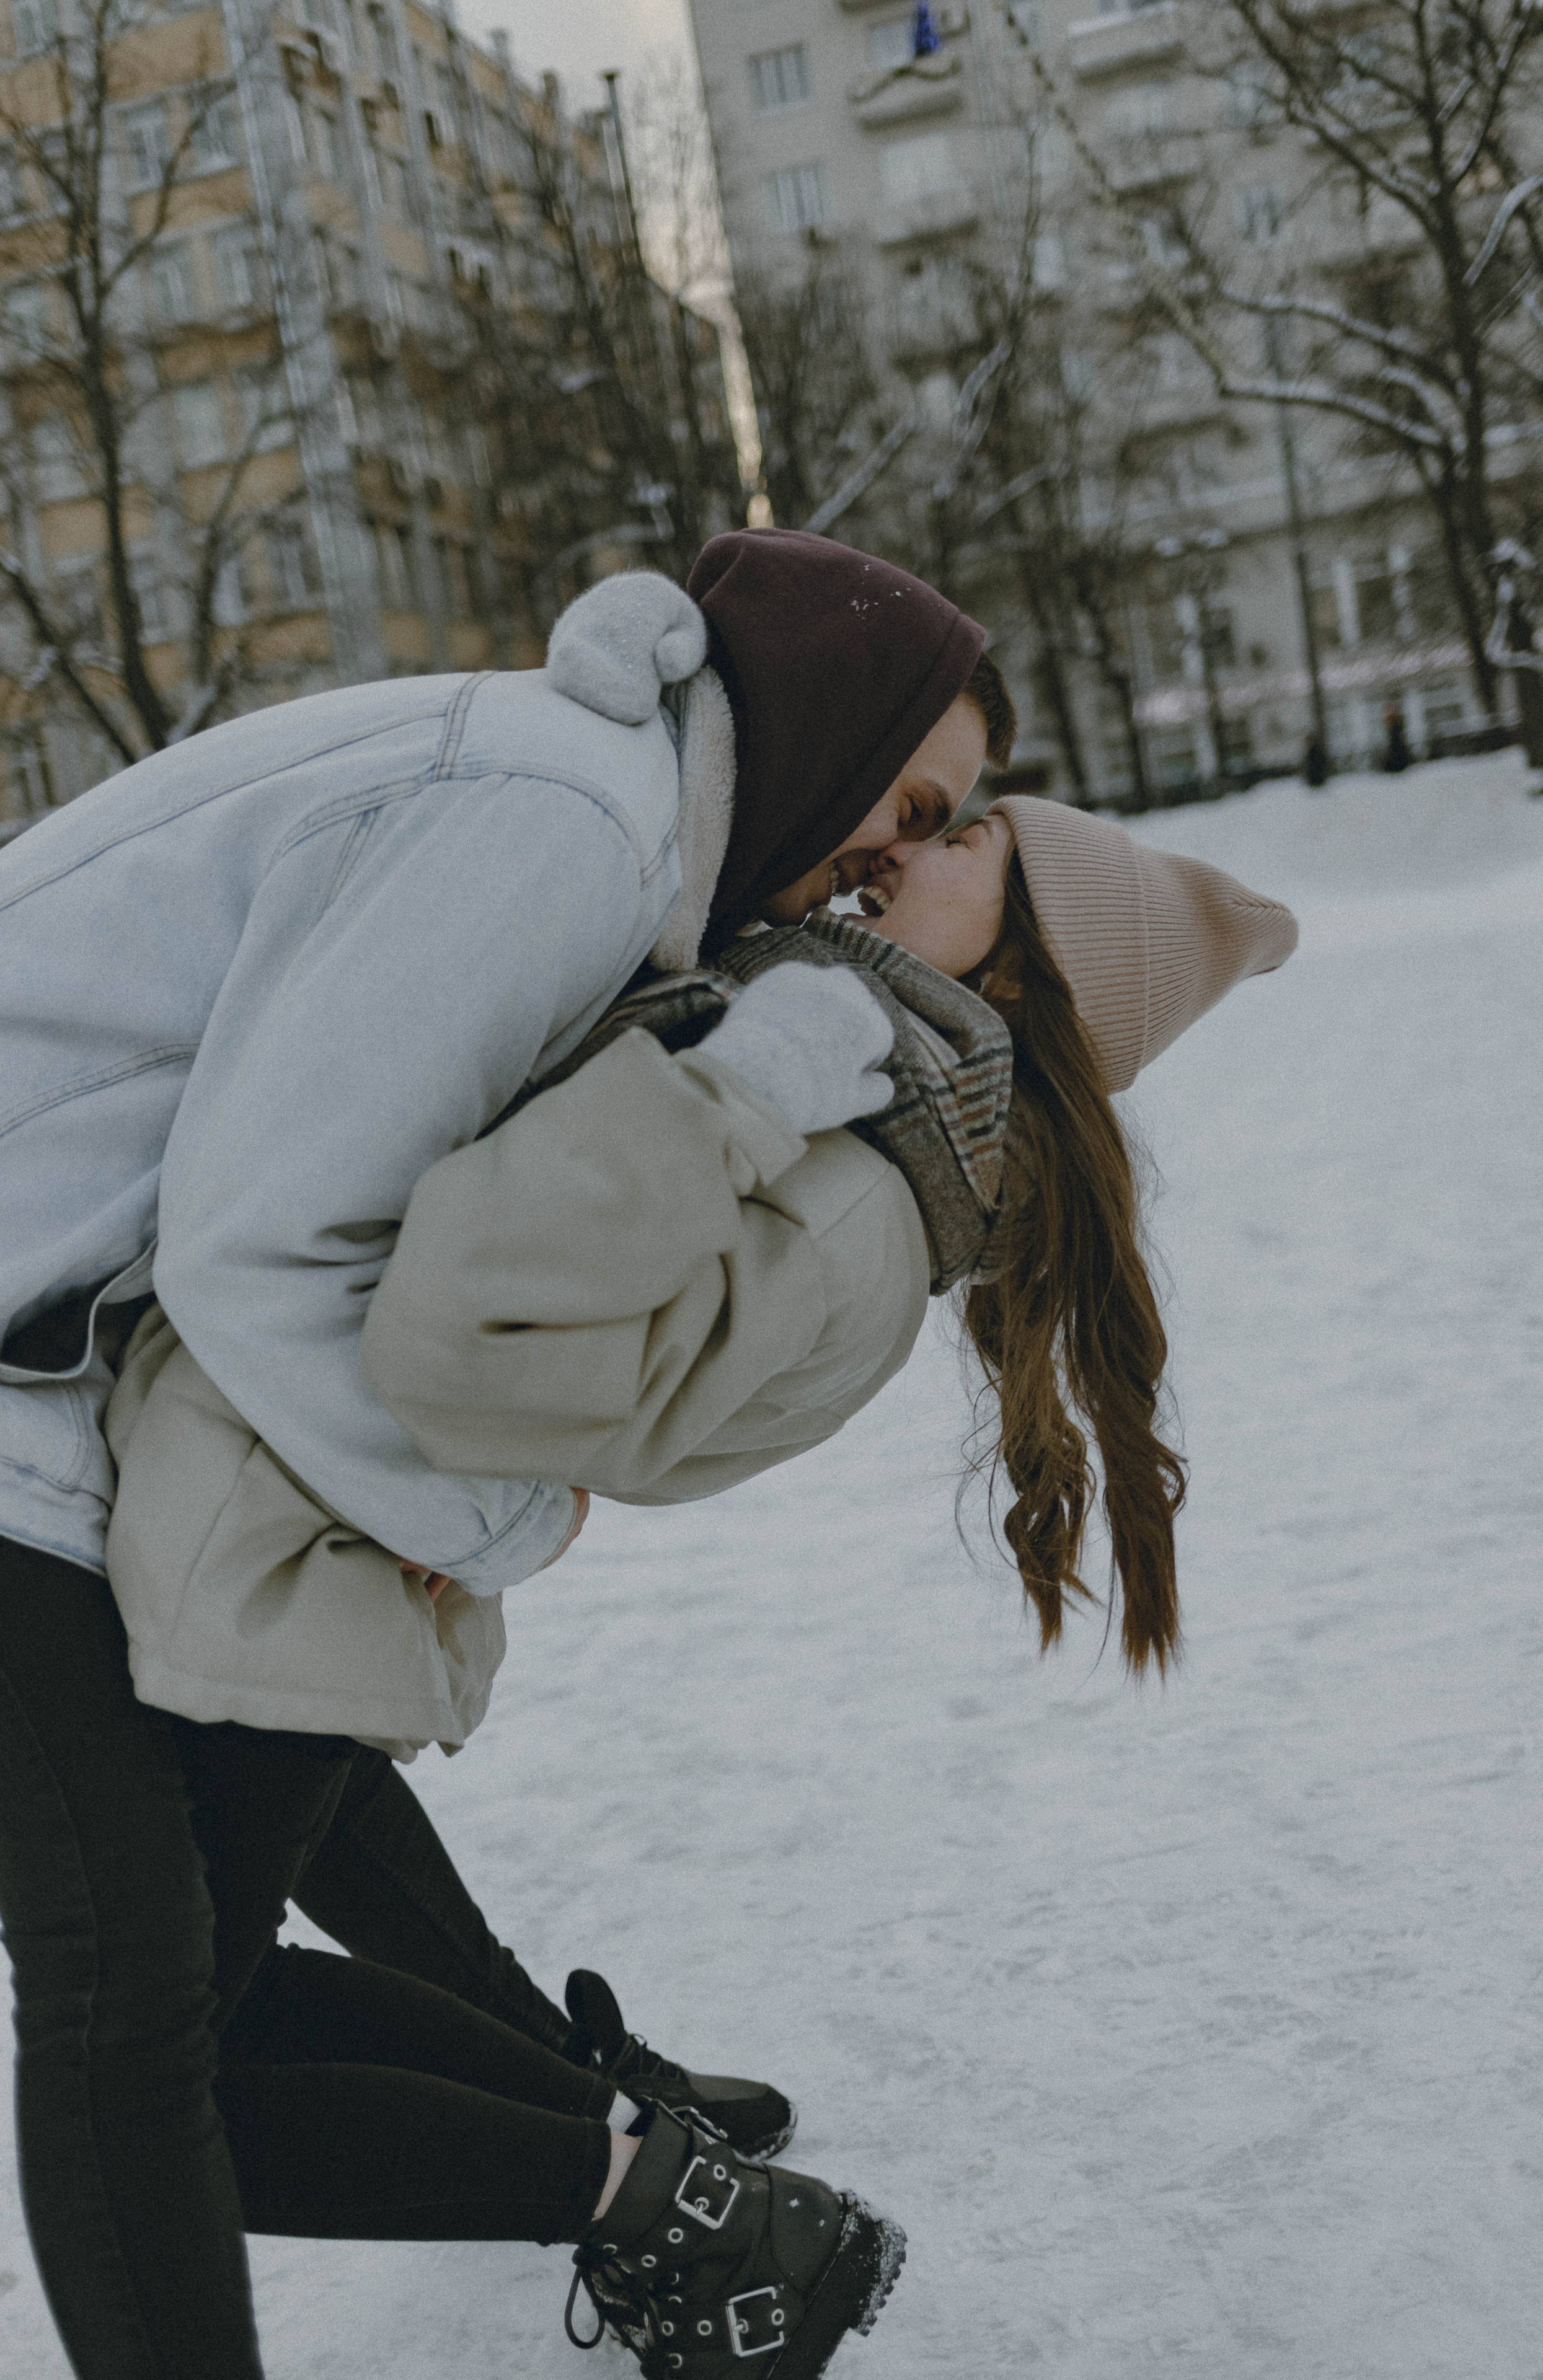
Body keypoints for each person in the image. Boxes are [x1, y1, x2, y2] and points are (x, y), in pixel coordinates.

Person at [94, 728, 1296, 2376]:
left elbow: (509, 1361)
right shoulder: (842, 1071)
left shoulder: (855, 1184)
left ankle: (677, 2206)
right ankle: (632, 2154)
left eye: (968, 842)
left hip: (265, 1529)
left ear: (1017, 974)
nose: (909, 843)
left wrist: (496, 1505)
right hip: (251, 1524)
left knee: (148, 2077)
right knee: (155, 2039)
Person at [0, 528, 993, 2380]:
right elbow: (265, 1244)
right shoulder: (564, 825)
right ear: (827, 727)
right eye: (906, 807)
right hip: (27, 1349)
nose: (891, 871)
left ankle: (604, 2132)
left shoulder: (599, 816)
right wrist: (482, 1510)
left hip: (46, 1336)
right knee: (131, 2001)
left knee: (197, 1876)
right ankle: (617, 2161)